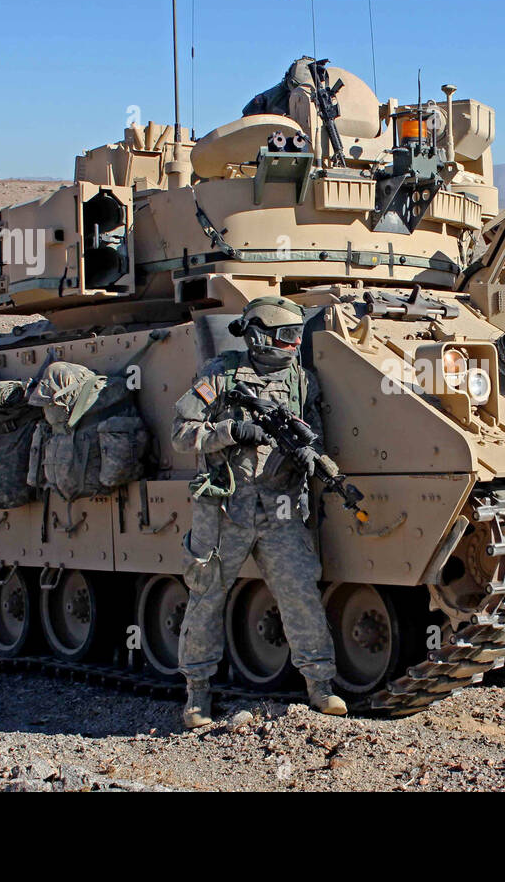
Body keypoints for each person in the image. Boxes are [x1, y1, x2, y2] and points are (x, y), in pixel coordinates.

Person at [171, 296, 347, 728]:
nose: (290, 344)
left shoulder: (303, 382)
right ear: (257, 334)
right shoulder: (221, 375)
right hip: (226, 505)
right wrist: (231, 431)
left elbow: (314, 436)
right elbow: (181, 433)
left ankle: (321, 686)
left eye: (295, 336)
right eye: (283, 336)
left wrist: (311, 456)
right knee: (207, 595)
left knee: (300, 594)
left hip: (280, 507)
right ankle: (197, 696)